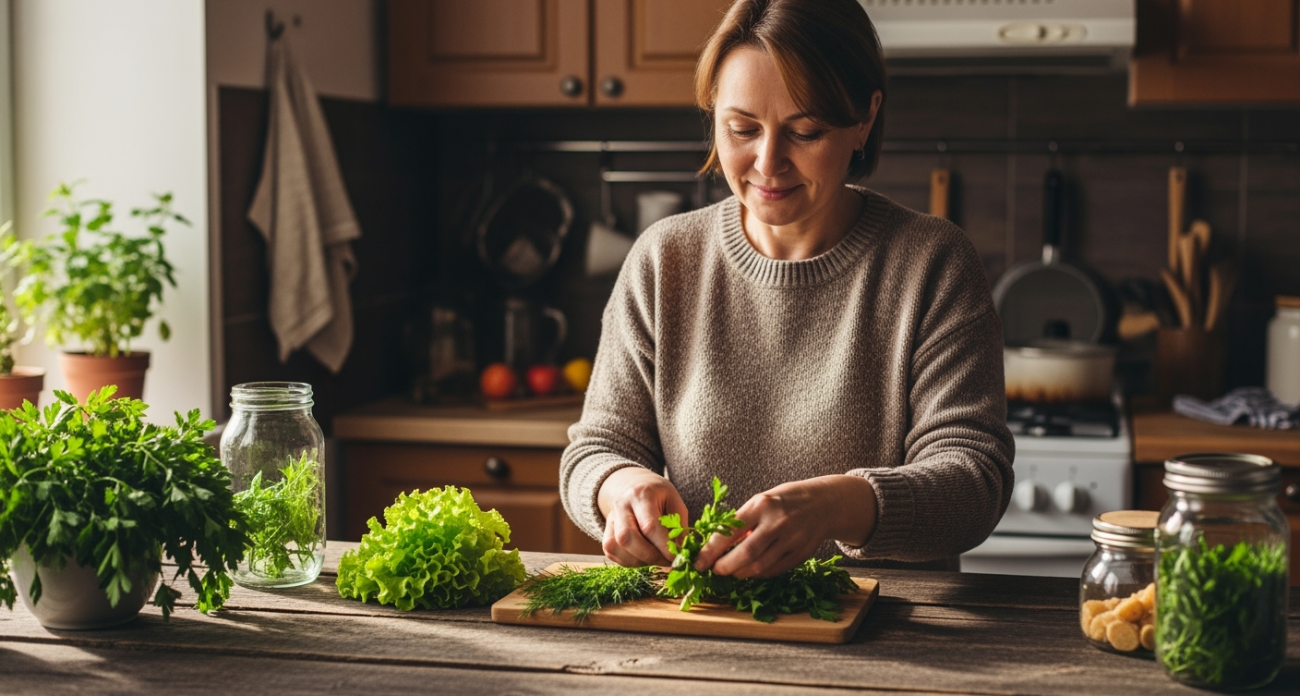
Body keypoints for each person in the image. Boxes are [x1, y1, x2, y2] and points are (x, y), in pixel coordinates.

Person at [559, 0, 1015, 579]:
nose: (768, 162)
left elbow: (975, 481)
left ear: (864, 120)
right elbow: (595, 449)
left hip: (893, 622)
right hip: (705, 618)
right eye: (742, 129)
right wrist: (621, 487)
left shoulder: (933, 263)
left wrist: (835, 508)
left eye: (805, 131)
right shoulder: (663, 259)